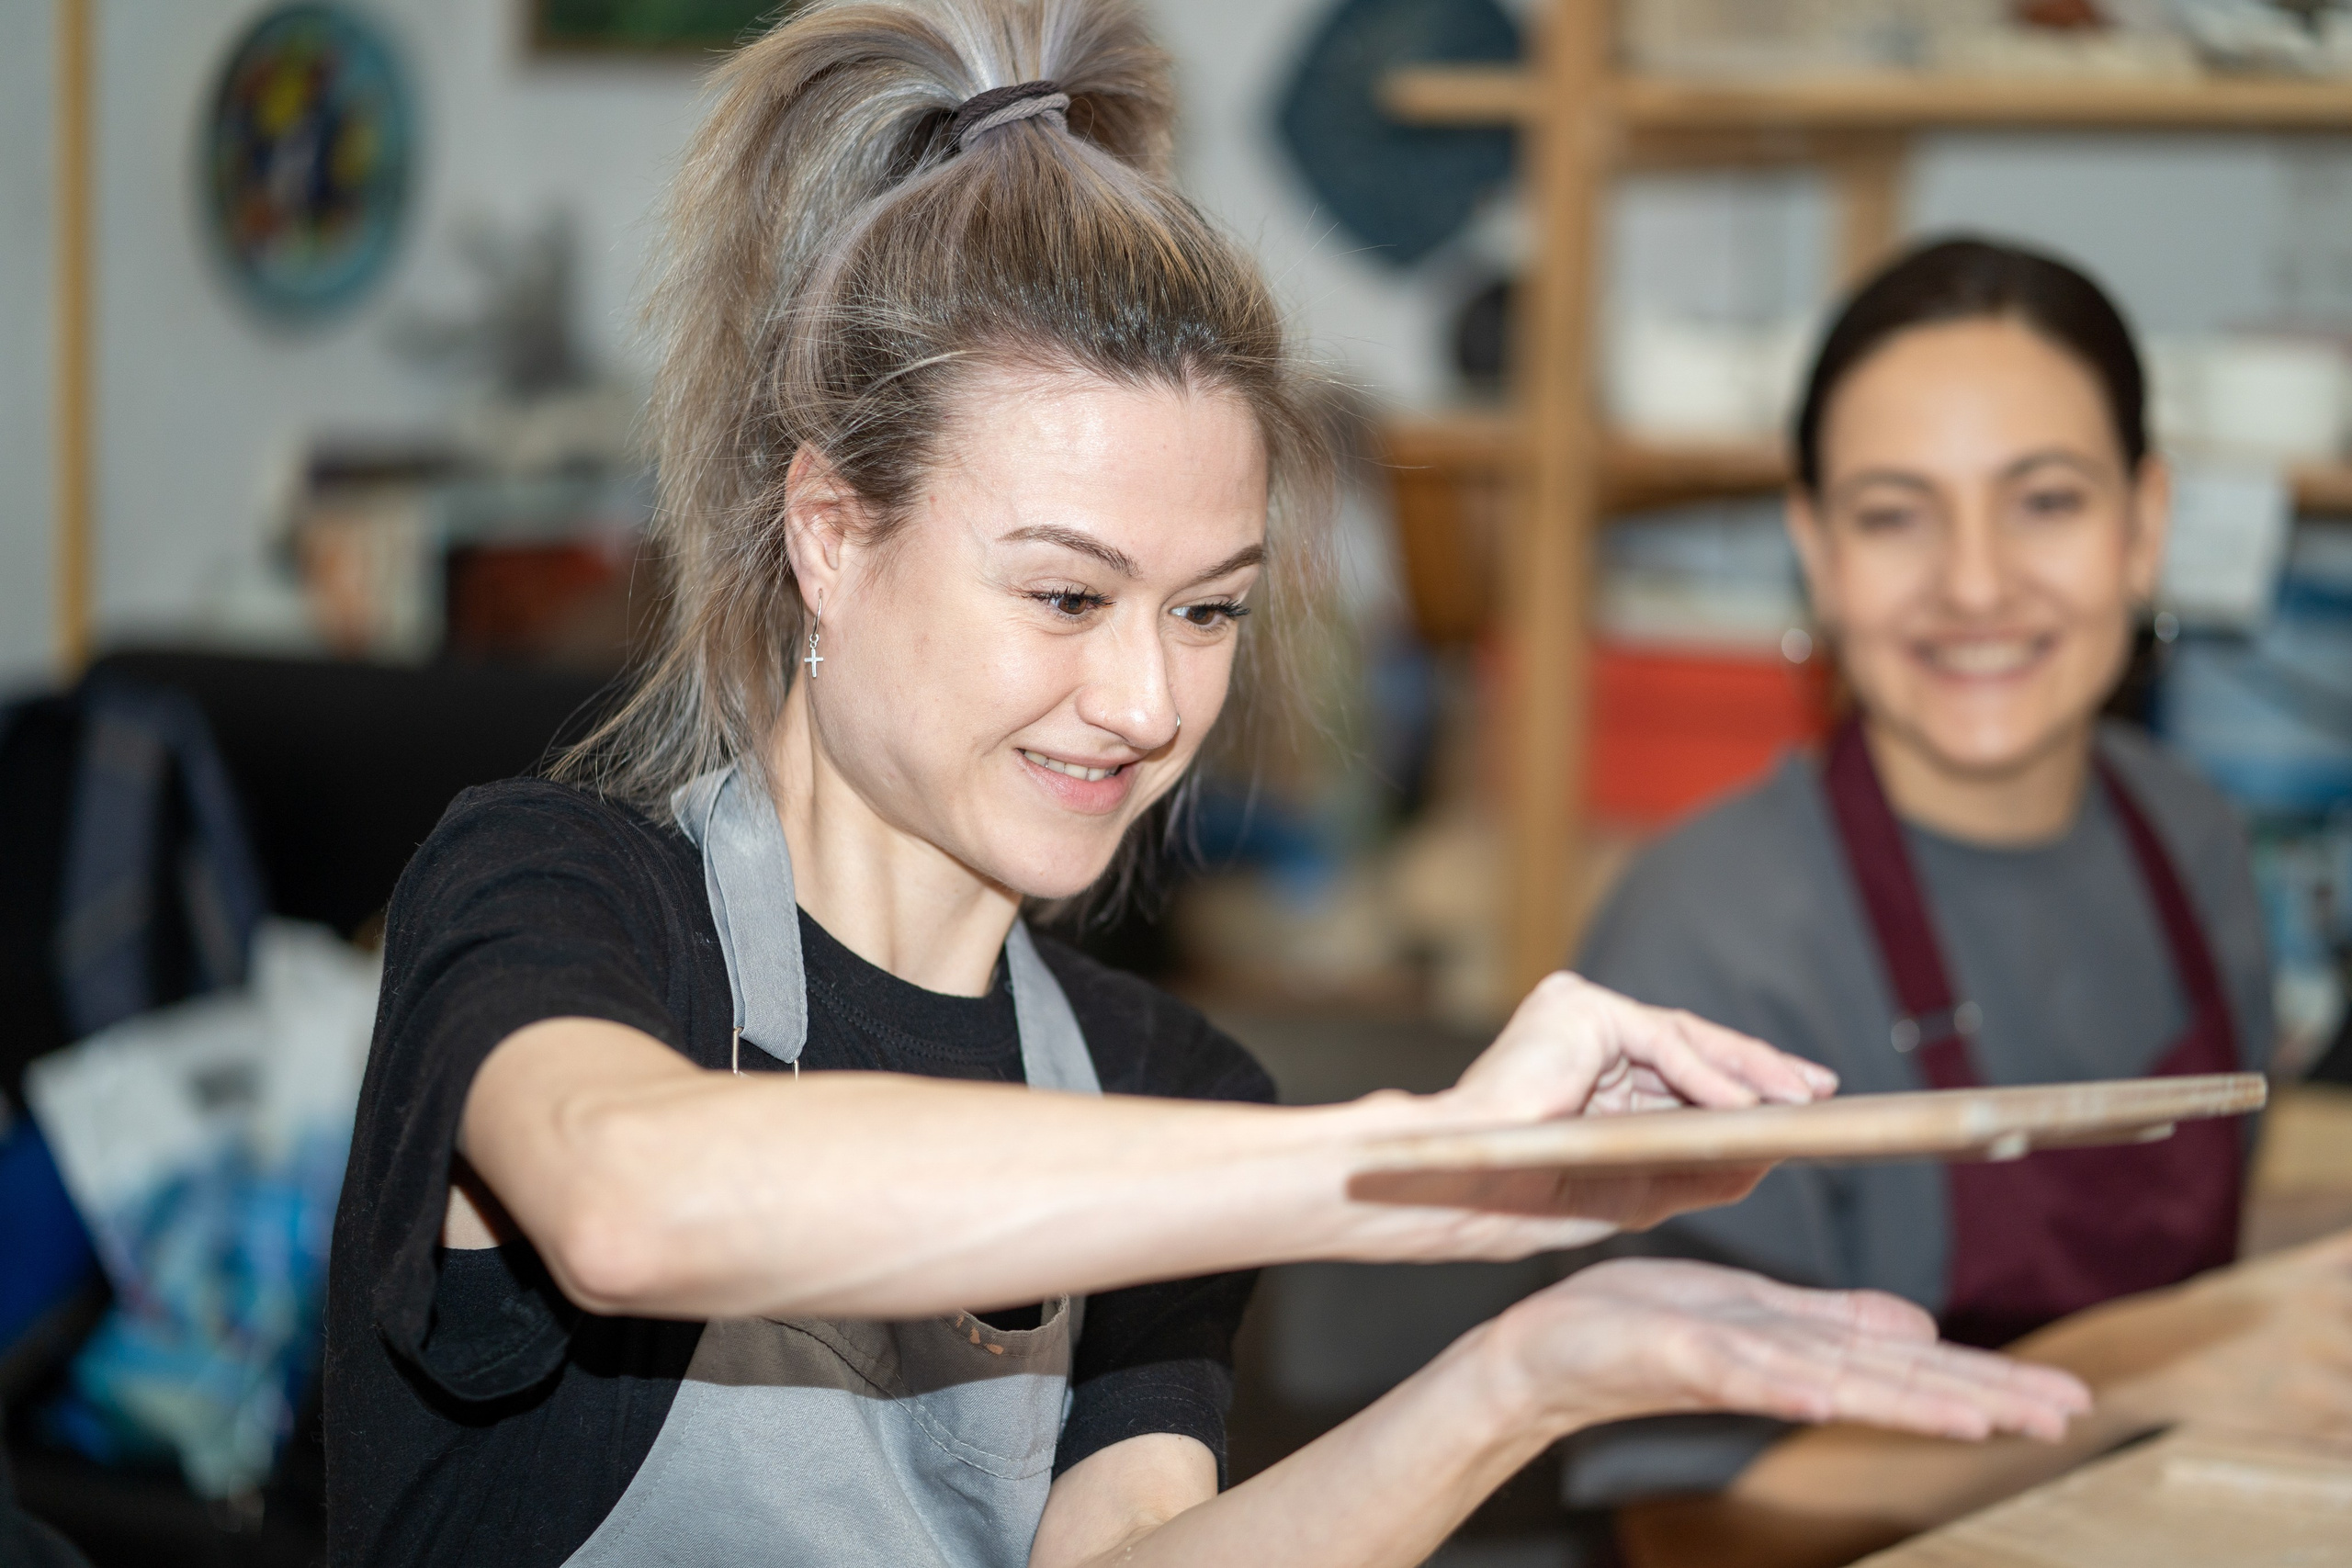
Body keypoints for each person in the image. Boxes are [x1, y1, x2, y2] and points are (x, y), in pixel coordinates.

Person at [320, 14, 2090, 1566]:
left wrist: (1531, 1375)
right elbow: (633, 1207)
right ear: (832, 534)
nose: (1149, 701)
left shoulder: (1161, 1080)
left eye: (1210, 610)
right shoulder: (554, 898)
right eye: (1065, 596)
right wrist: (1405, 1168)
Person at [1567, 237, 2352, 1568]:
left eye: (2044, 501)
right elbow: (1686, 1520)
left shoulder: (2193, 839)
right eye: (1895, 514)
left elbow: (2198, 1244)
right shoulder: (1706, 935)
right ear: (1817, 550)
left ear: (2145, 523)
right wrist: (2134, 1377)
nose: (1976, 583)